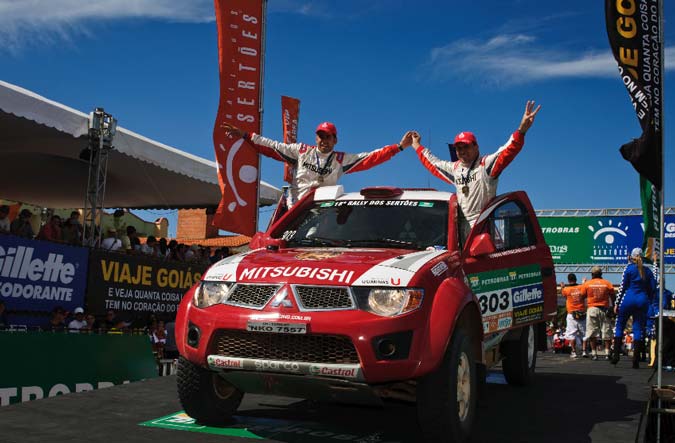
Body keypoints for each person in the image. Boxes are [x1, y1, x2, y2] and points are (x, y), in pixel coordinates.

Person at [411, 101, 541, 242]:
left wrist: (521, 131)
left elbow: (508, 150)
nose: (462, 151)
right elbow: (433, 163)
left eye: (466, 147)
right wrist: (416, 145)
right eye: (458, 148)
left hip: (482, 226)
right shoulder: (455, 169)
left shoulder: (486, 165)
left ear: (476, 147)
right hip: (459, 229)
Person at [221, 121, 412, 207]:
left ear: (335, 140)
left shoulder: (340, 160)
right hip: (294, 208)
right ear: (316, 137)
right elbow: (271, 146)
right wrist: (245, 135)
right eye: (321, 136)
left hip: (322, 211)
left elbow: (372, 157)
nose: (324, 140)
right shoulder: (301, 151)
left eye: (328, 137)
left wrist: (399, 147)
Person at [611, 247, 657, 368]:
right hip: (642, 300)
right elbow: (653, 288)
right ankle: (636, 359)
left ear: (632, 256)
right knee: (638, 328)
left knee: (619, 325)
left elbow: (622, 287)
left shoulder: (628, 269)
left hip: (628, 298)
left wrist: (616, 303)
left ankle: (615, 356)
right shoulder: (648, 271)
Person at [582, 266, 615, 360]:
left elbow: (582, 296)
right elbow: (613, 296)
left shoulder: (587, 284)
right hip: (605, 309)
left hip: (592, 309)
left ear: (592, 274)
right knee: (607, 331)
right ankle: (607, 353)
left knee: (592, 332)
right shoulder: (607, 283)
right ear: (601, 274)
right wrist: (613, 308)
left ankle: (594, 353)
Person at [561, 273, 587, 359]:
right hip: (582, 313)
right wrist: (584, 283)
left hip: (571, 314)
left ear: (568, 280)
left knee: (572, 334)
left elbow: (563, 294)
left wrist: (562, 286)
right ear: (576, 279)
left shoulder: (566, 289)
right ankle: (584, 351)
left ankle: (573, 352)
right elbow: (584, 291)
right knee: (584, 333)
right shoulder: (581, 287)